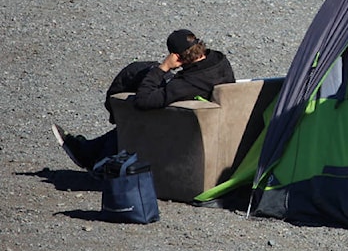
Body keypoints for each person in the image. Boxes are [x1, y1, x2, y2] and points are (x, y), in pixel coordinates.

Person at [53, 29, 235, 170]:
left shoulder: (187, 83)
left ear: (177, 57)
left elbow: (143, 100)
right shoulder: (219, 62)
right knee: (140, 71)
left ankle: (93, 149)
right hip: (208, 125)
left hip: (182, 131)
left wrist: (163, 68)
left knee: (139, 106)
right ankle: (92, 149)